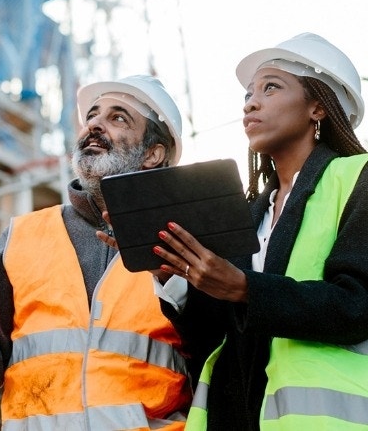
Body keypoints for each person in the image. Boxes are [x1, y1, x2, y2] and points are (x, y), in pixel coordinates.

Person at [0, 75, 195, 430]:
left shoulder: (184, 240)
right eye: (92, 116)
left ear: (152, 154)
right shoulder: (25, 235)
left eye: (118, 118)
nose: (95, 125)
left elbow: (218, 359)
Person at [150, 32, 368, 430]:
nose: (250, 102)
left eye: (271, 88)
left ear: (318, 107)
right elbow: (211, 338)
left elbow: (359, 305)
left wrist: (245, 288)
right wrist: (174, 275)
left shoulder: (358, 179)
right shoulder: (248, 213)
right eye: (249, 93)